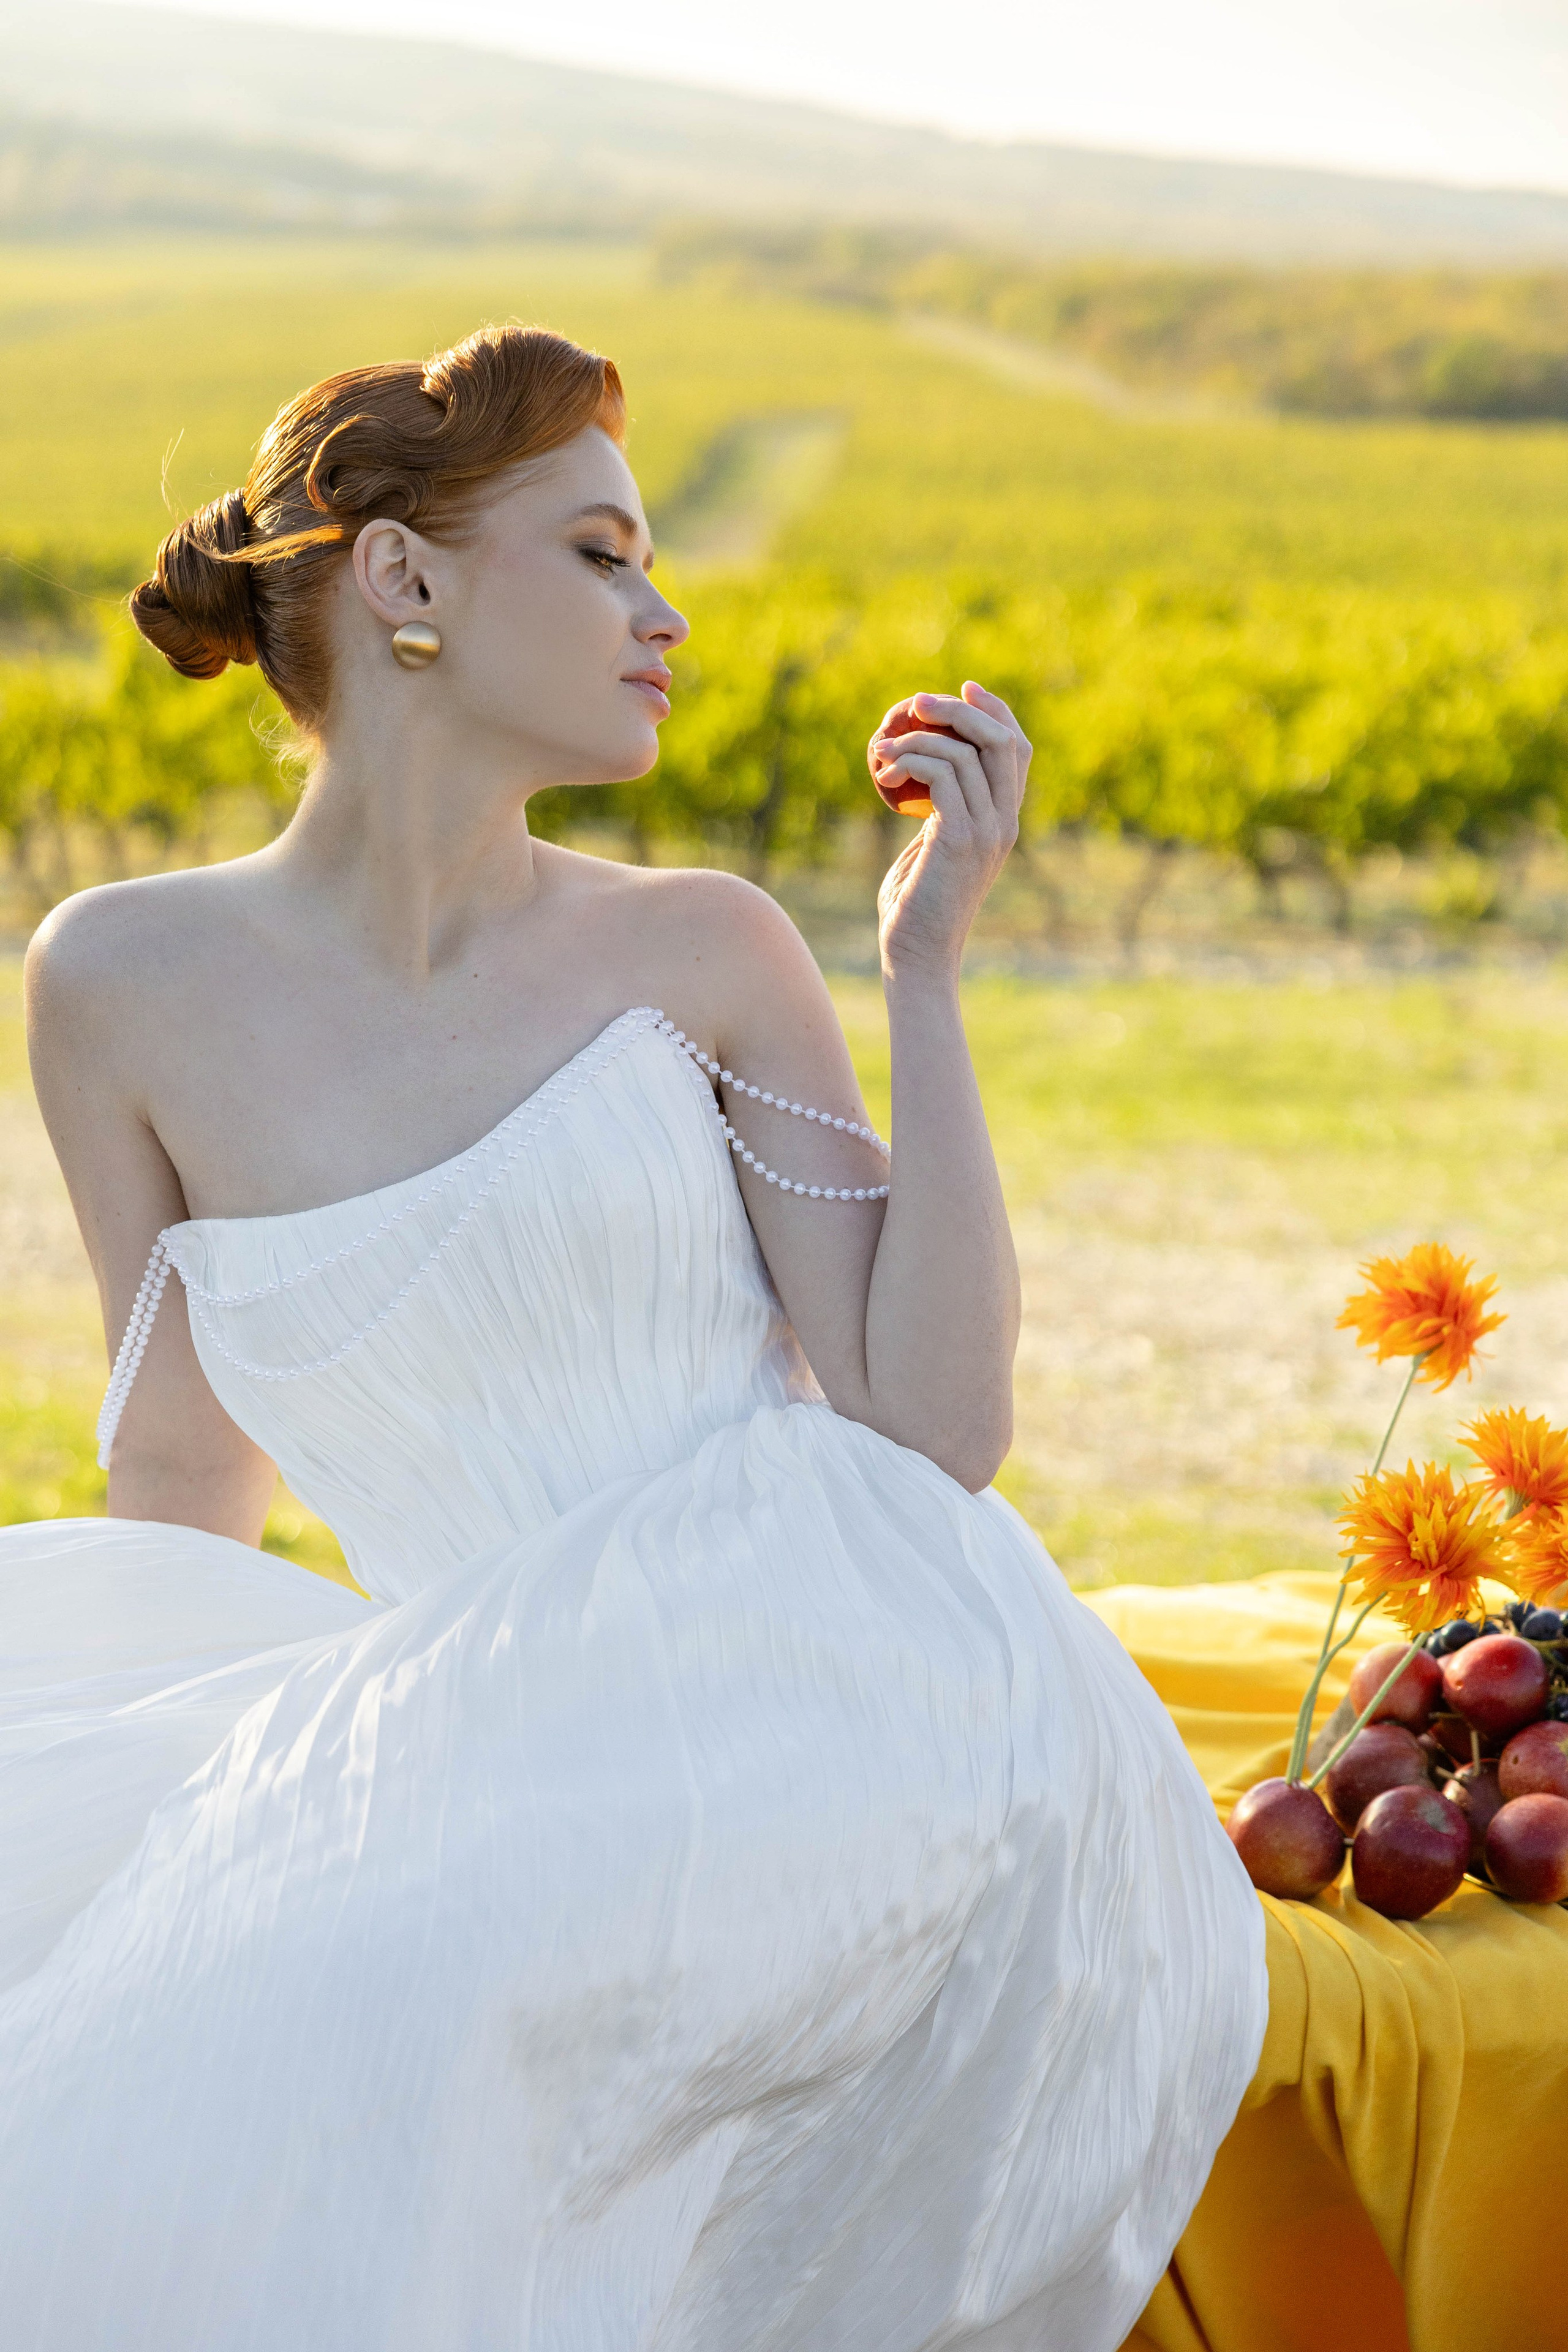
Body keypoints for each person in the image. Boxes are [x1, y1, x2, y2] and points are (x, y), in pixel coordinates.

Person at [1, 324, 1265, 2350]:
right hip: (468, 1723)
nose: (665, 614)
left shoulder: (703, 950)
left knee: (395, 1988)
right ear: (403, 582)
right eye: (600, 556)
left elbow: (930, 1423)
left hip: (828, 1665)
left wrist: (922, 974)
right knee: (146, 2043)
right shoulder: (116, 983)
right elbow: (177, 1472)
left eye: (653, 563)